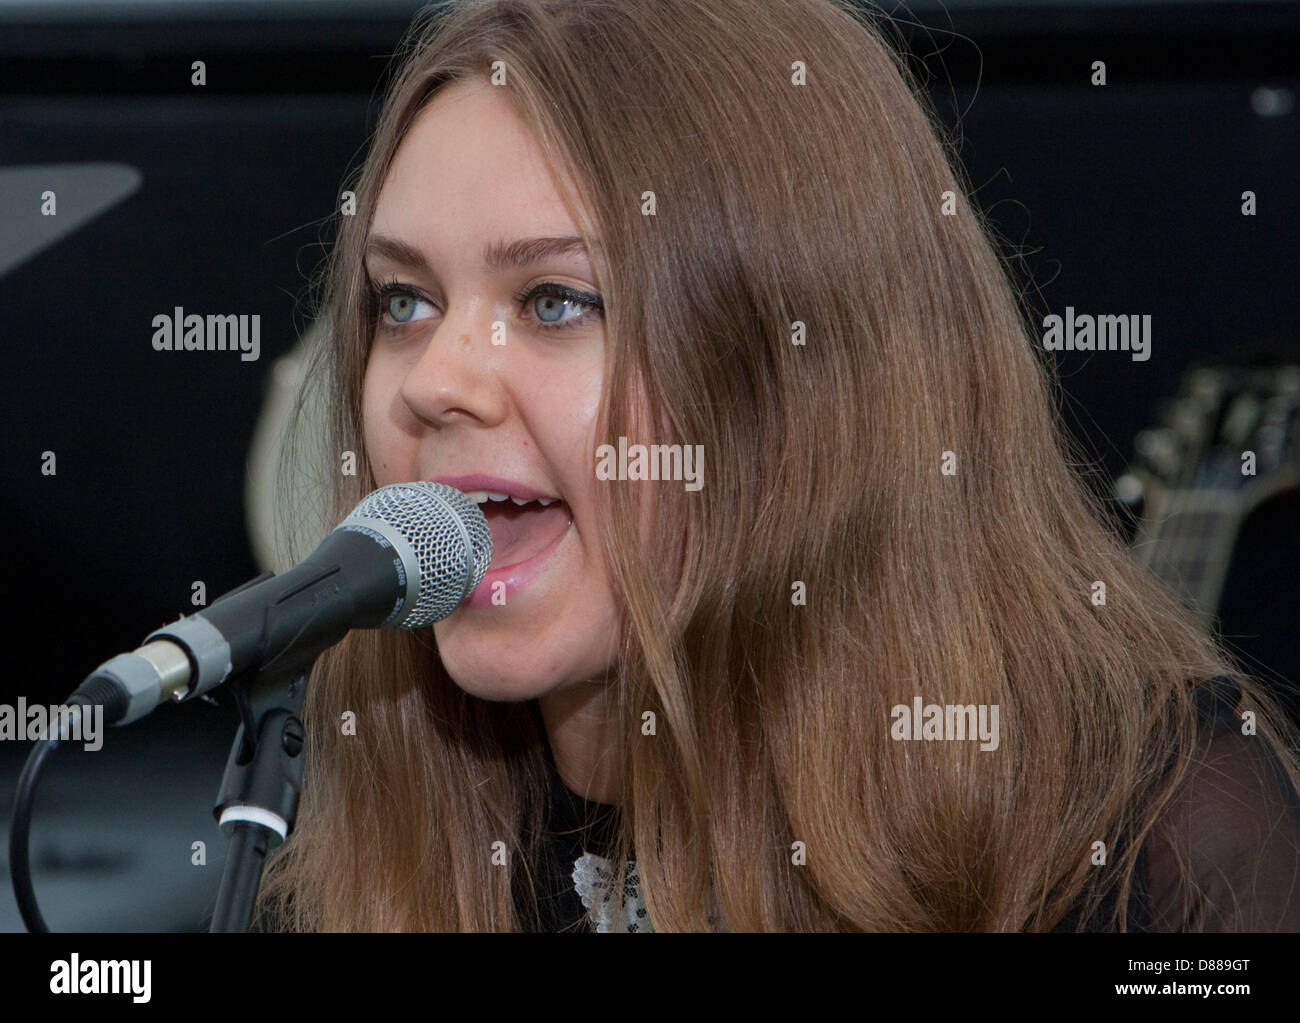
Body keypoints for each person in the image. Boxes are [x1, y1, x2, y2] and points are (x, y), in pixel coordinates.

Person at [254, 0, 1300, 932]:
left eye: (555, 301)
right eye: (403, 301)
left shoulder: (1152, 827)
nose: (434, 379)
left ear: (799, 371)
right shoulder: (358, 815)